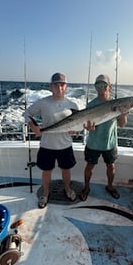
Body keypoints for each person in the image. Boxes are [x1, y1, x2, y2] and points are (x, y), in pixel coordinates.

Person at [24, 72, 78, 208]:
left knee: (66, 170)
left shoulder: (72, 105)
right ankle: (45, 193)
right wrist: (33, 127)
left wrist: (76, 131)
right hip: (47, 145)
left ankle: (67, 189)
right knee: (46, 171)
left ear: (66, 87)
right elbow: (27, 113)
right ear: (51, 87)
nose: (59, 88)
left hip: (65, 145)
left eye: (62, 85)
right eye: (56, 85)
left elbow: (77, 126)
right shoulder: (43, 103)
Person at [80, 74, 128, 201]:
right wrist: (88, 128)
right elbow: (86, 124)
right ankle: (86, 188)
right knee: (89, 166)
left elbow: (122, 124)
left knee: (111, 166)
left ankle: (110, 187)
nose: (101, 88)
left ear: (109, 87)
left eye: (103, 85)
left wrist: (123, 114)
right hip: (93, 143)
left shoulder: (116, 104)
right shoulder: (91, 105)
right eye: (98, 85)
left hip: (110, 143)